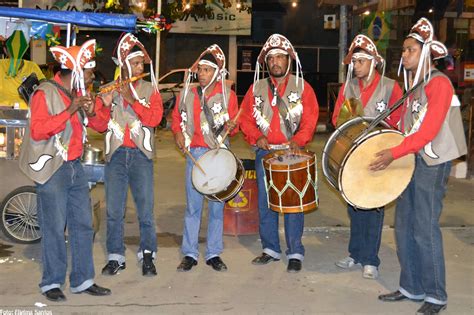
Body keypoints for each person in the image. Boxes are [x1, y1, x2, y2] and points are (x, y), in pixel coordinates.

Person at [373, 18, 467, 314]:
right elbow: (402, 124)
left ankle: (436, 294)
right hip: (411, 158)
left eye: (409, 50)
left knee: (424, 228)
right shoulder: (414, 86)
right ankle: (411, 286)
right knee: (403, 227)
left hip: (431, 162)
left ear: (425, 53)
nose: (404, 55)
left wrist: (392, 153)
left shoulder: (439, 84)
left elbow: (427, 132)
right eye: (403, 50)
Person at [19, 39, 111, 302]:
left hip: (75, 167)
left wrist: (94, 111)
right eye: (90, 72)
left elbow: (102, 127)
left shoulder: (79, 93)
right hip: (53, 168)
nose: (93, 77)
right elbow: (37, 130)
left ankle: (83, 280)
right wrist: (70, 109)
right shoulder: (44, 93)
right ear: (76, 71)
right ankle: (51, 282)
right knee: (54, 227)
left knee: (83, 225)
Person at [239, 34, 319, 273]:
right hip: (266, 154)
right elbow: (245, 120)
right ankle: (270, 248)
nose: (275, 62)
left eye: (279, 57)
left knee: (294, 203)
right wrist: (256, 137)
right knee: (266, 203)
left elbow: (310, 120)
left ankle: (295, 251)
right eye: (271, 58)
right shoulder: (256, 88)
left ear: (288, 60)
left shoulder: (303, 87)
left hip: (292, 154)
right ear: (266, 62)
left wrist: (298, 140)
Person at [332, 34, 403, 280]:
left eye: (361, 61)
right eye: (354, 62)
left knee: (373, 207)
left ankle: (370, 259)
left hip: (378, 156)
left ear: (373, 61)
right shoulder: (348, 87)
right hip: (352, 156)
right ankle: (355, 254)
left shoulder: (391, 87)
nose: (356, 66)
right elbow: (335, 119)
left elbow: (401, 121)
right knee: (354, 206)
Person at [92, 33, 163, 277]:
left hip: (141, 156)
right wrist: (102, 104)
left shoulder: (149, 89)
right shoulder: (108, 89)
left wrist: (132, 100)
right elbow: (99, 126)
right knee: (114, 211)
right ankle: (115, 256)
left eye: (141, 63)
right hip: (116, 156)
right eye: (135, 63)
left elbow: (155, 119)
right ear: (123, 65)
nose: (139, 67)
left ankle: (148, 255)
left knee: (145, 210)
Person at [171, 44, 239, 272]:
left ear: (216, 73)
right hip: (196, 155)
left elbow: (235, 128)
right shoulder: (186, 93)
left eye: (207, 70)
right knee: (193, 207)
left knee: (217, 207)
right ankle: (190, 253)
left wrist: (233, 126)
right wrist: (179, 133)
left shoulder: (228, 95)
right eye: (200, 69)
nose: (201, 74)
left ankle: (213, 253)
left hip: (219, 153)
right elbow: (175, 120)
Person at [0, 30, 45, 108]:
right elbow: (43, 84)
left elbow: (43, 83)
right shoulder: (1, 64)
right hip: (5, 108)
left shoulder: (32, 66)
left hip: (23, 109)